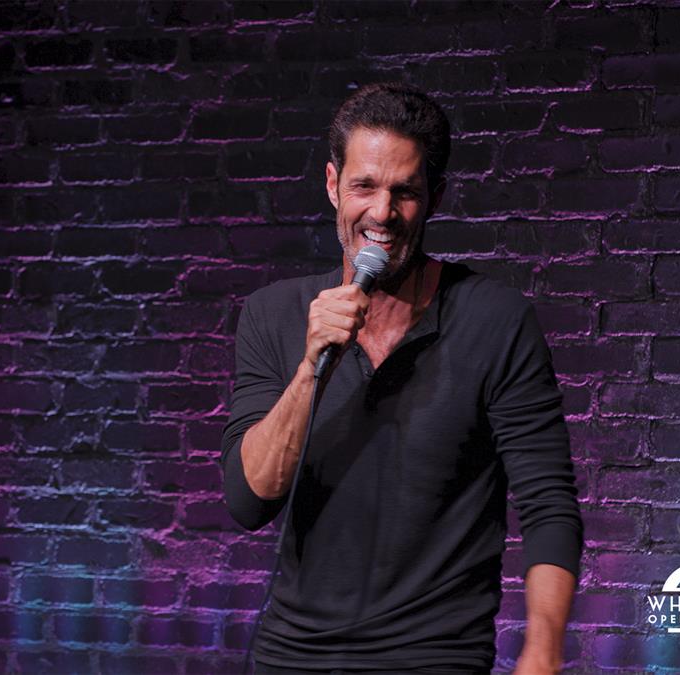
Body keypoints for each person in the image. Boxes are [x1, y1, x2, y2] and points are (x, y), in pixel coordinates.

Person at [220, 83, 583, 674]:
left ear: (434, 197)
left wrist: (541, 653)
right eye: (364, 186)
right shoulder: (274, 314)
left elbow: (549, 507)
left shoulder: (495, 320)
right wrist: (311, 369)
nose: (382, 213)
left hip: (433, 657)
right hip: (292, 657)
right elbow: (248, 500)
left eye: (404, 192)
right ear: (333, 184)